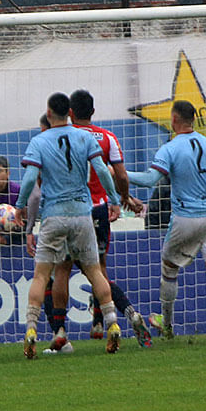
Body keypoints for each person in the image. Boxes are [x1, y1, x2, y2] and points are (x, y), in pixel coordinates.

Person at [16, 93, 142, 357]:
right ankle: (112, 324)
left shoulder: (39, 141)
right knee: (95, 271)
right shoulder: (85, 138)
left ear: (49, 113)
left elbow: (29, 180)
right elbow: (102, 169)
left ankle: (31, 331)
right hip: (83, 213)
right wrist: (115, 201)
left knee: (44, 275)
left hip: (54, 215)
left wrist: (20, 206)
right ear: (69, 113)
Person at [127, 100, 206, 341]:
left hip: (186, 216)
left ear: (173, 119)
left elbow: (149, 179)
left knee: (169, 266)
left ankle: (167, 323)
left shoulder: (170, 148)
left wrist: (120, 174)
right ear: (193, 119)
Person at [68, 88, 149, 345]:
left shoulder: (62, 137)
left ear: (70, 113)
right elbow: (120, 175)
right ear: (93, 111)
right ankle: (99, 323)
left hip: (73, 211)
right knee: (99, 268)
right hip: (101, 209)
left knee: (68, 272)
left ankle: (126, 313)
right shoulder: (107, 138)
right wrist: (123, 198)